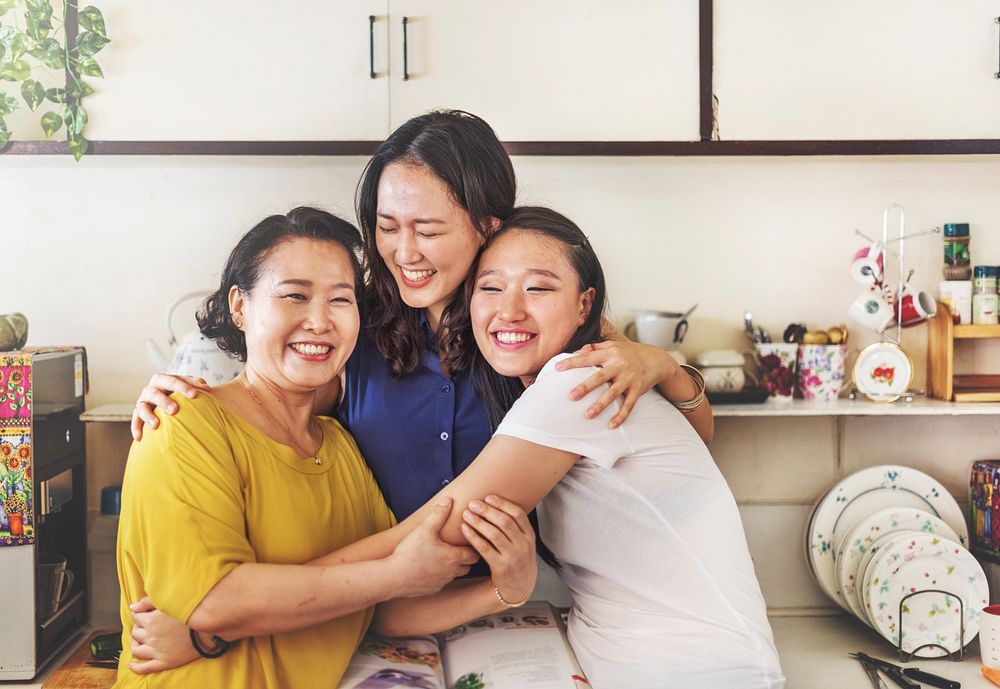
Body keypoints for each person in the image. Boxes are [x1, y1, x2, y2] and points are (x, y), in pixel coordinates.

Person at [131, 207, 782, 689]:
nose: (509, 308)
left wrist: (219, 619)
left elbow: (423, 548)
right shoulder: (231, 423)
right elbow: (385, 578)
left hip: (692, 670)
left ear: (584, 302)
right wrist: (218, 613)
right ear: (240, 305)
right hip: (630, 659)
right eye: (491, 288)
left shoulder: (575, 381)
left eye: (539, 287)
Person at [130, 110, 714, 534]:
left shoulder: (529, 320)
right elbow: (277, 415)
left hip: (515, 599)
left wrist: (663, 365)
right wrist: (191, 407)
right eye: (387, 227)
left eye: (428, 230)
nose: (404, 252)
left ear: (486, 224)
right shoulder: (350, 322)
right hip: (379, 599)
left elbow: (689, 441)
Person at [114, 207, 538, 688]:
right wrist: (393, 575)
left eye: (341, 300)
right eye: (295, 295)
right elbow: (215, 601)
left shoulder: (339, 447)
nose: (319, 321)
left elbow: (377, 607)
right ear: (240, 306)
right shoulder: (183, 426)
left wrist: (504, 591)